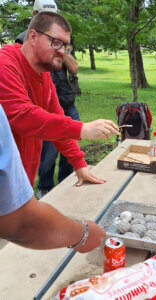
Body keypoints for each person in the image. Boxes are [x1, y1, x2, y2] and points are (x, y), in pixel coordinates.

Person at [0, 11, 119, 188]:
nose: (62, 52)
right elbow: (23, 116)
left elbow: (57, 118)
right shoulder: (5, 65)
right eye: (56, 43)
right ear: (33, 36)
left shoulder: (44, 76)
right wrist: (82, 129)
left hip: (18, 184)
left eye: (66, 46)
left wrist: (79, 164)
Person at [0, 104, 105, 252]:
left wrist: (78, 161)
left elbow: (54, 114)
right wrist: (82, 234)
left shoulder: (43, 80)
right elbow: (20, 222)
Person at [15, 0, 82, 199]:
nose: (59, 49)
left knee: (67, 147)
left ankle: (66, 185)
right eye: (54, 42)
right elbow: (22, 113)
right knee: (47, 154)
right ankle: (44, 189)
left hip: (65, 100)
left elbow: (74, 68)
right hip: (40, 109)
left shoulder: (53, 55)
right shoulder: (17, 50)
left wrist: (61, 48)